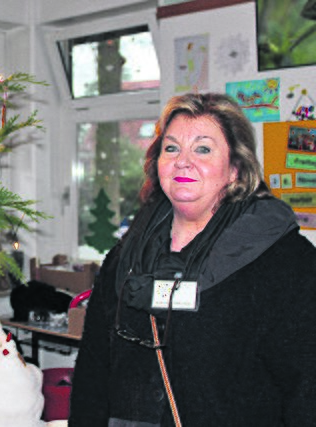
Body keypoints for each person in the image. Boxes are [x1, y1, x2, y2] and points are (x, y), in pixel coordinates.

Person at [69, 93, 316, 426]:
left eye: (203, 148)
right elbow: (93, 373)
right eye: (171, 148)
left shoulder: (284, 262)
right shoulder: (125, 257)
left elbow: (307, 387)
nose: (183, 161)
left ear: (234, 170)